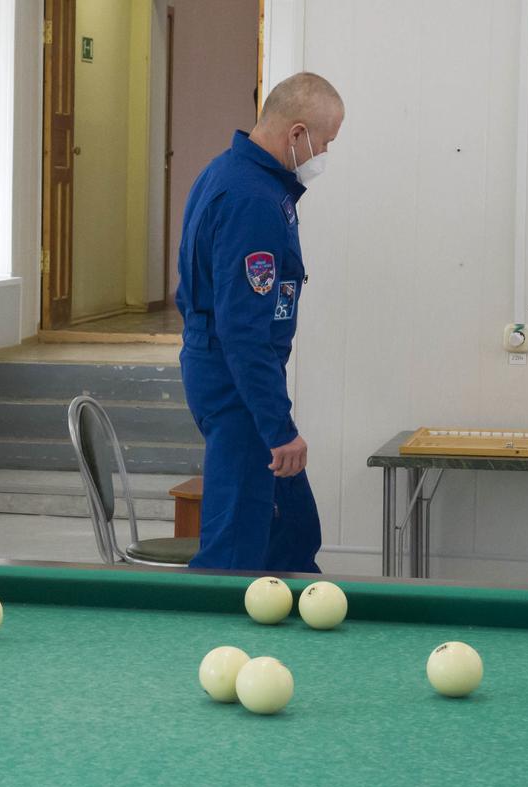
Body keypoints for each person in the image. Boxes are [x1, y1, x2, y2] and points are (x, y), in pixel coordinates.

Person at [175, 72, 345, 573]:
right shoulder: (251, 199)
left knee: (293, 531)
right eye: (325, 142)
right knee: (236, 548)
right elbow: (244, 331)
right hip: (237, 382)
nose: (325, 154)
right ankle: (218, 644)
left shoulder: (234, 175)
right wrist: (278, 428)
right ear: (296, 135)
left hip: (237, 375)